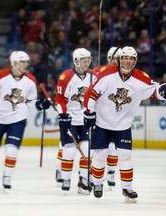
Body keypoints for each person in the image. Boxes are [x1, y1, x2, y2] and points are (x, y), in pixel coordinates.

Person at [83, 46, 166, 202]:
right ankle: (97, 183)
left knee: (125, 155)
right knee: (100, 154)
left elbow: (154, 89)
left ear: (135, 61)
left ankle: (127, 188)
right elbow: (91, 93)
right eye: (125, 58)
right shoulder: (107, 73)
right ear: (120, 60)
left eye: (132, 58)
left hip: (123, 125)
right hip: (102, 122)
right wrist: (89, 112)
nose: (128, 61)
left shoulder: (141, 78)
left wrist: (165, 90)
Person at [0, 51, 46, 189]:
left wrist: (39, 104)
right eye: (23, 62)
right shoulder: (0, 76)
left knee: (12, 150)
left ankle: (7, 176)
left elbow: (29, 101)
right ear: (15, 63)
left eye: (27, 62)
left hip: (17, 119)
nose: (26, 64)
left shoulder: (30, 79)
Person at [54, 48, 94, 195]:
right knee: (69, 150)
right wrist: (63, 115)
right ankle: (65, 179)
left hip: (86, 120)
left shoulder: (92, 76)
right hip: (70, 120)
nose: (87, 63)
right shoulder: (66, 77)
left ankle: (83, 180)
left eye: (88, 60)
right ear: (76, 61)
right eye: (84, 61)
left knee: (87, 150)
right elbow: (60, 99)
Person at [92, 46, 122, 188]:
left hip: (117, 117)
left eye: (118, 59)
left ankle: (111, 172)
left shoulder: (125, 74)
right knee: (100, 150)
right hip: (101, 117)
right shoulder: (100, 71)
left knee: (113, 148)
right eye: (113, 58)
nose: (115, 61)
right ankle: (96, 173)